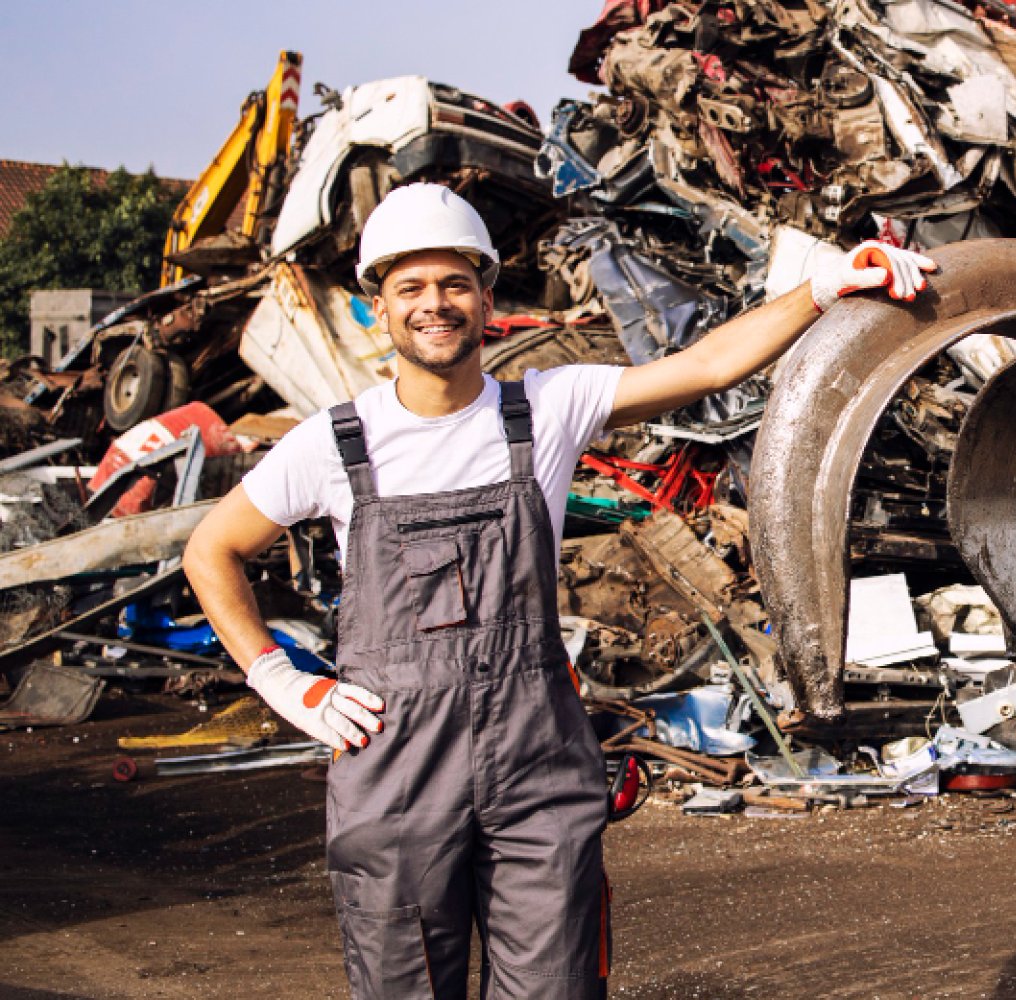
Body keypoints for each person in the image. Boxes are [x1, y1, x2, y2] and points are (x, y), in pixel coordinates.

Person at [182, 183, 936, 999]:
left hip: (534, 758)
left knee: (555, 985)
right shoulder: (334, 444)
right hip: (394, 765)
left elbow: (707, 363)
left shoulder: (546, 407)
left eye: (453, 284)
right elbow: (210, 549)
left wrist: (826, 285)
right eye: (411, 288)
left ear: (485, 295)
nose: (435, 305)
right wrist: (281, 680)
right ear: (379, 306)